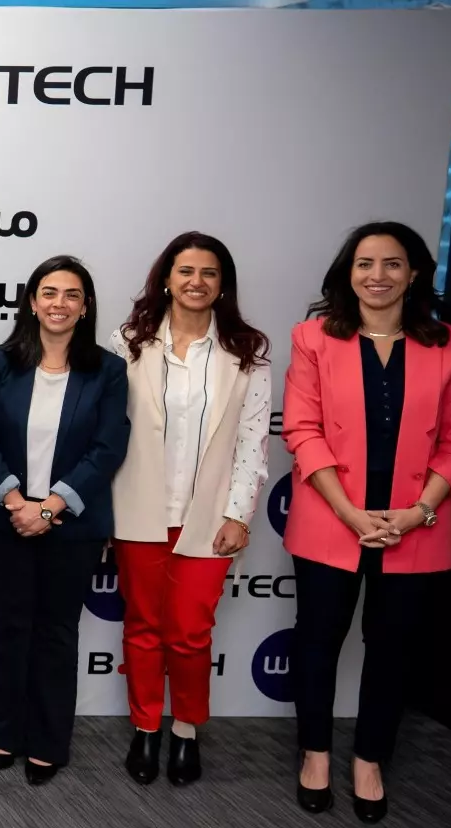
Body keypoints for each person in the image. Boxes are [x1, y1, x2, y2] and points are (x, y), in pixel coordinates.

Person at [283, 221, 451, 823]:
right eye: (365, 263)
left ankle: (370, 758)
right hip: (331, 518)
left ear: (414, 273)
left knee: (392, 649)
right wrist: (348, 511)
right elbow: (302, 429)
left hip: (415, 525)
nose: (377, 275)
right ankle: (315, 754)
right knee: (317, 642)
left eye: (392, 264)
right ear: (349, 273)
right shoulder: (314, 338)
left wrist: (419, 512)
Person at [110, 232, 271, 787]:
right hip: (139, 510)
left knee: (190, 634)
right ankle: (145, 727)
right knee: (142, 627)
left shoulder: (247, 351)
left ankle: (185, 730)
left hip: (209, 517)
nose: (196, 282)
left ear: (223, 284)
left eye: (208, 273)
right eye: (185, 271)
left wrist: (239, 514)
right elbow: (109, 429)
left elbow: (252, 442)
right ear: (166, 279)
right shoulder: (128, 342)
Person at [0, 255, 128, 785]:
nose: (60, 303)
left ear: (85, 308)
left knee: (58, 631)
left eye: (72, 295)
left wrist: (52, 506)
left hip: (71, 523)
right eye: (50, 293)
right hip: (6, 517)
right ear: (33, 303)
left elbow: (107, 448)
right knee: (12, 626)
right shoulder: (3, 363)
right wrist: (17, 502)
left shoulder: (108, 371)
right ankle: (6, 733)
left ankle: (48, 741)